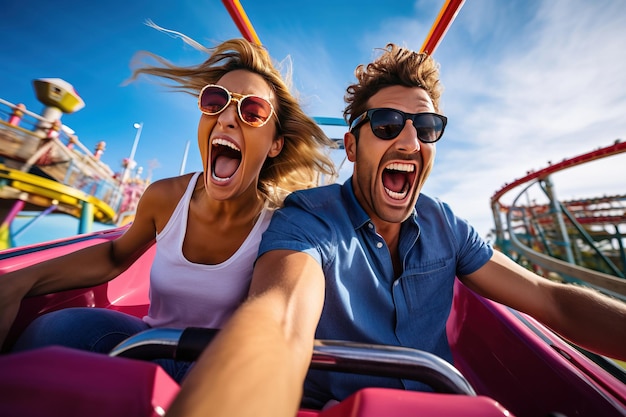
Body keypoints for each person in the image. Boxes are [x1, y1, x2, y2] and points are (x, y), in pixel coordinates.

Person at [164, 43, 626, 417]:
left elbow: (550, 300)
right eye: (386, 125)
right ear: (351, 146)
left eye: (426, 128)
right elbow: (279, 319)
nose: (409, 141)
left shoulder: (446, 225)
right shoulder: (310, 219)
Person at [0, 35, 336, 382]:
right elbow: (115, 256)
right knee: (52, 331)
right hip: (148, 344)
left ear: (275, 145)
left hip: (221, 367)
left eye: (252, 112)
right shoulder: (165, 197)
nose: (227, 119)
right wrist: (19, 282)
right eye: (215, 102)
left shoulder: (280, 225)